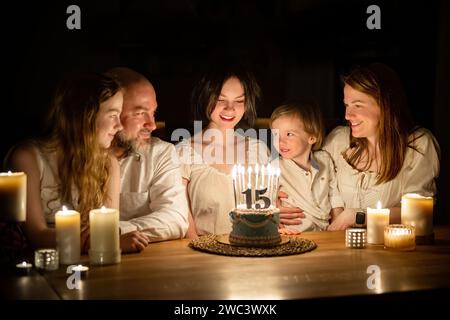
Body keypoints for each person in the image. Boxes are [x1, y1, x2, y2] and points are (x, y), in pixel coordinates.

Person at [6, 72, 123, 251]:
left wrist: (105, 239)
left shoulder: (108, 164)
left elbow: (109, 230)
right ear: (84, 115)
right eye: (113, 115)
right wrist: (105, 240)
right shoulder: (28, 158)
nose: (120, 125)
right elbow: (36, 236)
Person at [322, 63, 440, 230]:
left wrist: (358, 216)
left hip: (390, 250)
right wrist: (275, 200)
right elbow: (307, 175)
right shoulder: (338, 140)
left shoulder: (418, 145)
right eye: (347, 105)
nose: (347, 115)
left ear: (385, 105)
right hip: (338, 247)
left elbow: (419, 213)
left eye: (358, 105)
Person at [177, 62, 271, 237]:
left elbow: (270, 204)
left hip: (254, 251)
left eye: (239, 101)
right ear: (205, 97)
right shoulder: (184, 153)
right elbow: (181, 213)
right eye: (221, 100)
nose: (230, 108)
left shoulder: (258, 149)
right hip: (206, 254)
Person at [106, 67, 188, 252]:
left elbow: (175, 218)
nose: (151, 125)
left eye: (153, 113)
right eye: (139, 113)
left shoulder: (161, 153)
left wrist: (114, 232)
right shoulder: (55, 157)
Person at [270, 102, 344, 234]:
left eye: (289, 134)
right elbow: (263, 197)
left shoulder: (324, 160)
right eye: (276, 135)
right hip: (292, 232)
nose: (280, 142)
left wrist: (338, 226)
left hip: (324, 231)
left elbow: (333, 194)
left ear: (311, 137)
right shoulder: (275, 166)